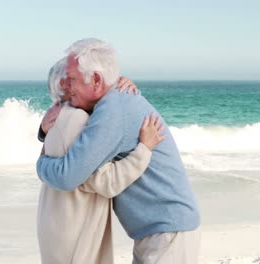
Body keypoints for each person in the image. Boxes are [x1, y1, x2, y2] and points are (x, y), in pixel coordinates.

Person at [37, 38, 201, 264]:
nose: (68, 87)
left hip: (167, 231)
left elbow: (68, 176)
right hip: (157, 230)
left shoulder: (112, 110)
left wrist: (41, 164)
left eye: (72, 79)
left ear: (95, 79)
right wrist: (44, 133)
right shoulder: (112, 102)